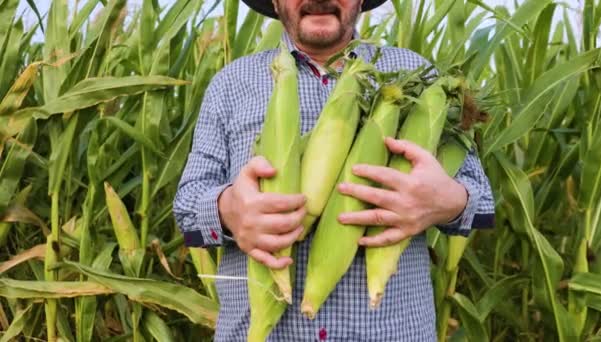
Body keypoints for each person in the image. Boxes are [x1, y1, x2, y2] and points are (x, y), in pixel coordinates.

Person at [173, 0, 495, 340]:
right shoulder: (231, 84)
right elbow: (187, 205)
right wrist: (228, 209)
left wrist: (448, 201)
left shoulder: (418, 76)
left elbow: (482, 198)